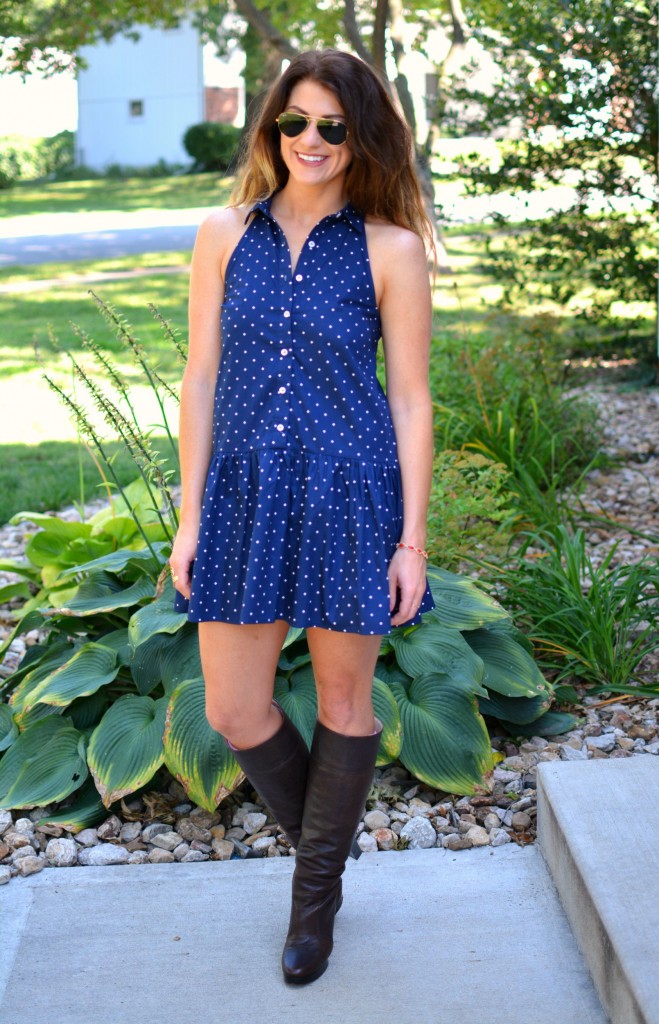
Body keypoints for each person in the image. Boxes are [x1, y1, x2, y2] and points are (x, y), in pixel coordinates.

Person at [169, 48, 435, 985]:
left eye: (331, 125)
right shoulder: (220, 232)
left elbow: (409, 399)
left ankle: (311, 904)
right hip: (241, 491)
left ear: (359, 135)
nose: (311, 140)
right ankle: (328, 854)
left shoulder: (390, 248)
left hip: (350, 492)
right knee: (236, 709)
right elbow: (199, 378)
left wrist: (412, 539)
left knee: (340, 704)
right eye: (295, 122)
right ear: (271, 128)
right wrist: (189, 513)